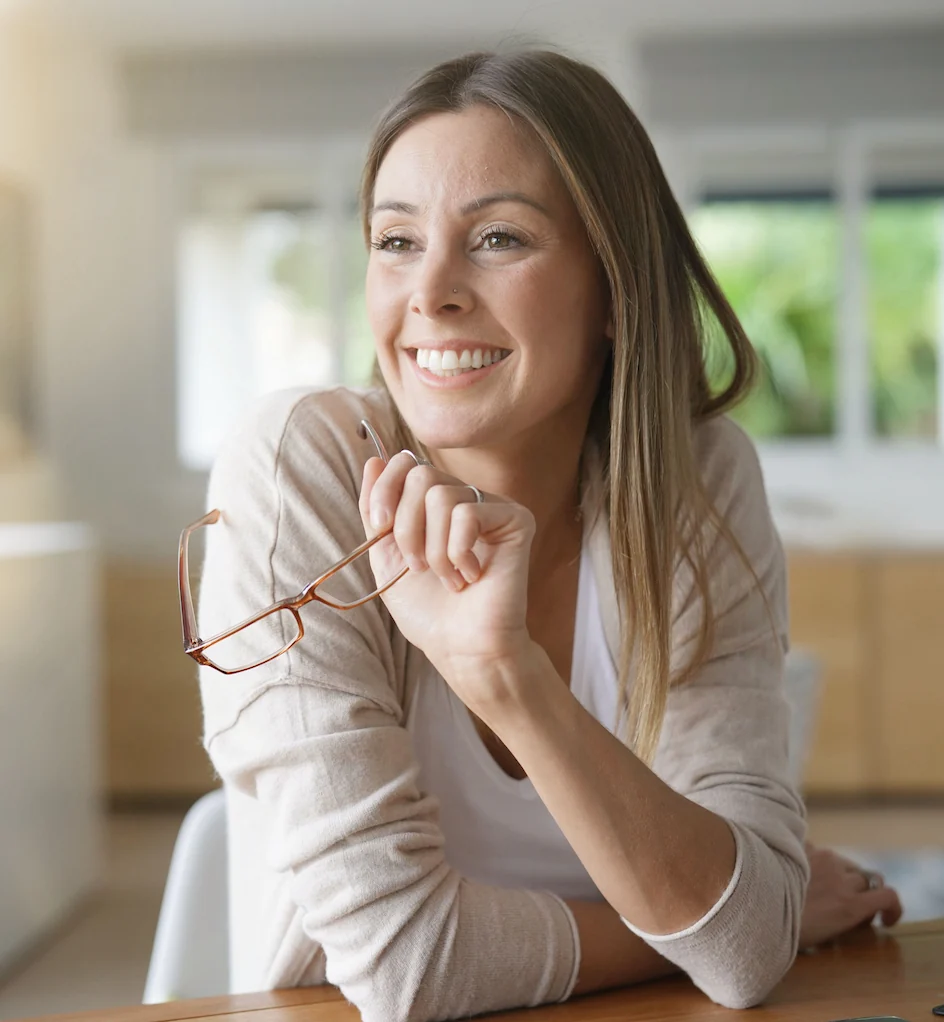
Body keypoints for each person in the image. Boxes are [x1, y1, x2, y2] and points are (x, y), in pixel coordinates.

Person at [193, 49, 902, 1022]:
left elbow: (738, 954)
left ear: (614, 286)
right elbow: (405, 966)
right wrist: (713, 923)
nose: (430, 290)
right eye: (395, 240)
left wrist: (504, 674)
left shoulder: (696, 480)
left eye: (497, 239)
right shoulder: (302, 468)